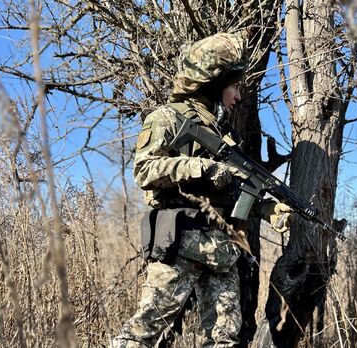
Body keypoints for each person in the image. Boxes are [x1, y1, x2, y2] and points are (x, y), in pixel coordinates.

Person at [113, 32, 290, 348]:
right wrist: (202, 168)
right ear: (213, 82)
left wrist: (268, 209)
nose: (238, 96)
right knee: (142, 335)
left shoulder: (222, 136)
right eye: (234, 87)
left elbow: (234, 191)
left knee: (224, 339)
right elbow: (144, 170)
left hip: (220, 249)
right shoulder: (166, 118)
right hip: (179, 239)